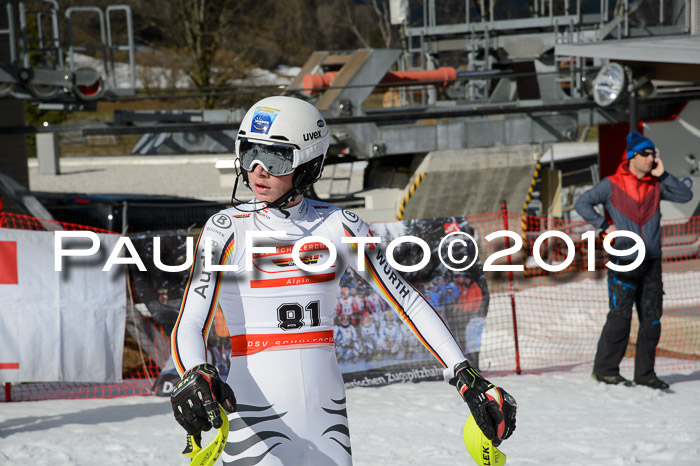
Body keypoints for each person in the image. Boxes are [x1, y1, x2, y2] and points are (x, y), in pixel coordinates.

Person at [169, 96, 516, 465]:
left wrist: (464, 373)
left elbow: (408, 302)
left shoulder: (341, 225)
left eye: (275, 157)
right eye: (250, 152)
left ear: (309, 162)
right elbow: (190, 321)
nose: (258, 169)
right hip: (251, 415)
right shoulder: (225, 230)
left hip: (327, 415)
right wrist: (195, 371)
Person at [575, 131, 693, 390]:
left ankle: (645, 374)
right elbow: (582, 203)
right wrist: (604, 226)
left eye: (653, 154)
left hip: (652, 261)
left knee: (652, 320)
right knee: (620, 318)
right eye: (646, 153)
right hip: (623, 261)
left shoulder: (656, 183)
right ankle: (605, 370)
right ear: (631, 157)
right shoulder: (612, 184)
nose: (652, 158)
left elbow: (685, 196)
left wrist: (663, 174)